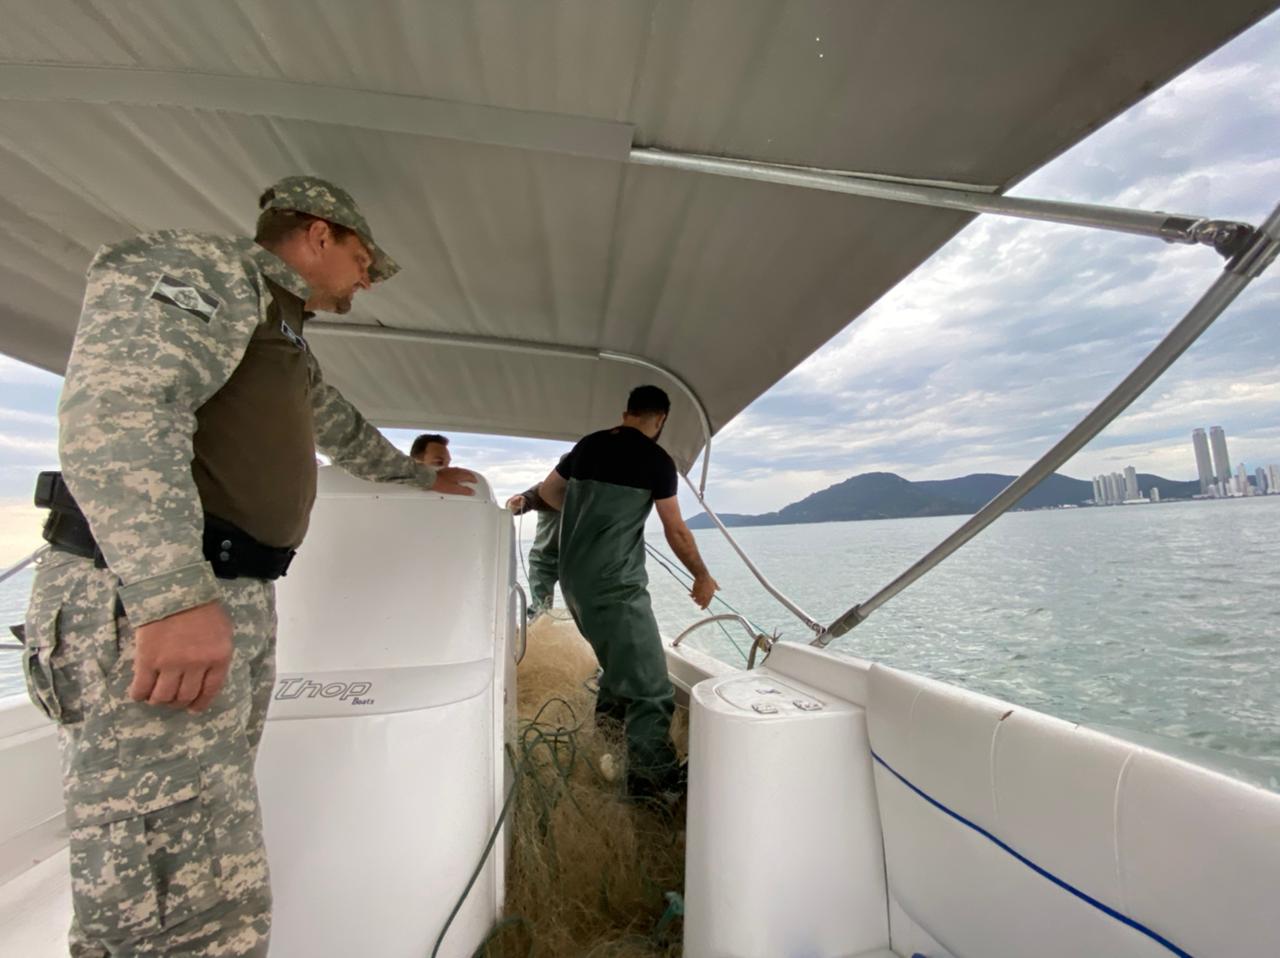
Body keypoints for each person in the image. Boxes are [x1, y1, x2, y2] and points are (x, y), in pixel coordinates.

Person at [22, 175, 475, 958]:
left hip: (220, 594)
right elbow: (121, 410)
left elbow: (338, 426)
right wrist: (169, 596)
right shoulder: (209, 273)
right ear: (319, 234)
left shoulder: (283, 335)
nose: (368, 278)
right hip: (154, 599)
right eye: (365, 258)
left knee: (205, 853)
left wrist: (418, 475)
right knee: (157, 883)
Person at [537, 385, 718, 799]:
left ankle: (607, 744)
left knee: (619, 666)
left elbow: (549, 492)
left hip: (576, 582)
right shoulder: (656, 459)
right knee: (652, 690)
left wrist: (588, 516)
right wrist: (702, 576)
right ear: (661, 419)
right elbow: (676, 529)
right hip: (614, 585)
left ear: (626, 412)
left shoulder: (587, 446)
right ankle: (653, 786)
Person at [506, 459, 564, 614]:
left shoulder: (589, 495)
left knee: (580, 608)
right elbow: (516, 505)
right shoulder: (545, 489)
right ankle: (537, 632)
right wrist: (515, 502)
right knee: (541, 609)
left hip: (575, 561)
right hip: (543, 559)